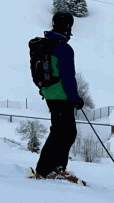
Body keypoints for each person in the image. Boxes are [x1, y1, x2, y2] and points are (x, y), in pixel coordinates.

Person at [34, 12, 83, 180]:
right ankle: (44, 170)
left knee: (64, 132)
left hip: (49, 93)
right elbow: (68, 77)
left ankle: (57, 167)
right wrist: (75, 98)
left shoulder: (46, 43)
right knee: (62, 133)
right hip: (62, 96)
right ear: (68, 27)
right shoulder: (64, 48)